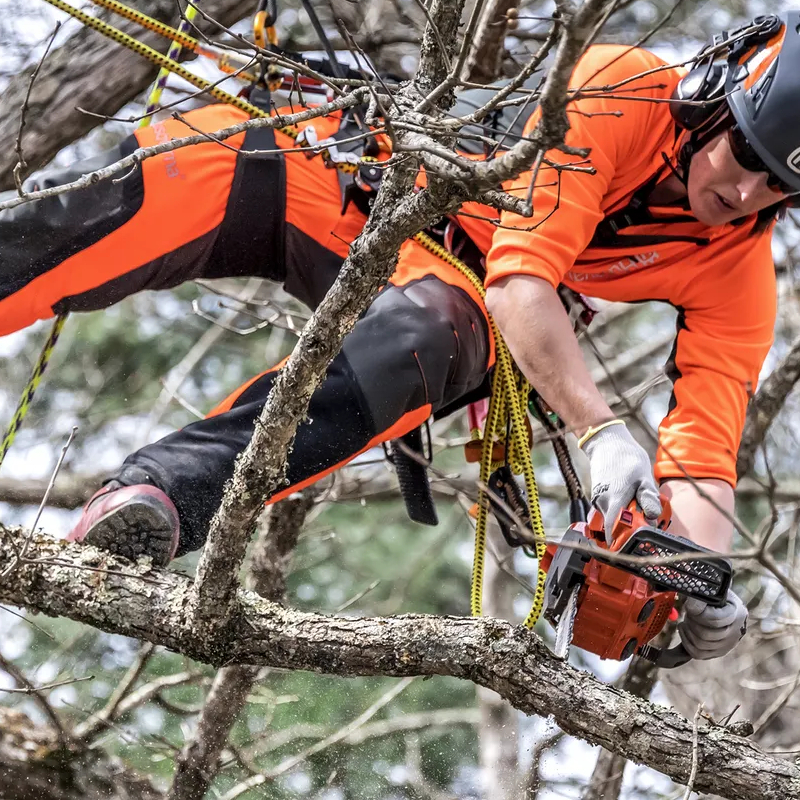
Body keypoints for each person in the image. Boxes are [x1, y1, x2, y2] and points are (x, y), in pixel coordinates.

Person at [8, 13, 798, 661]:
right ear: (711, 99)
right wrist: (600, 430)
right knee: (116, 205)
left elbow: (704, 450)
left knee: (427, 341)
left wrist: (696, 576)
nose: (745, 191)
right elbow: (525, 281)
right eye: (744, 154)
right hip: (335, 167)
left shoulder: (737, 270)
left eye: (779, 187)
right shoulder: (619, 88)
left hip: (451, 282)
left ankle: (160, 500)